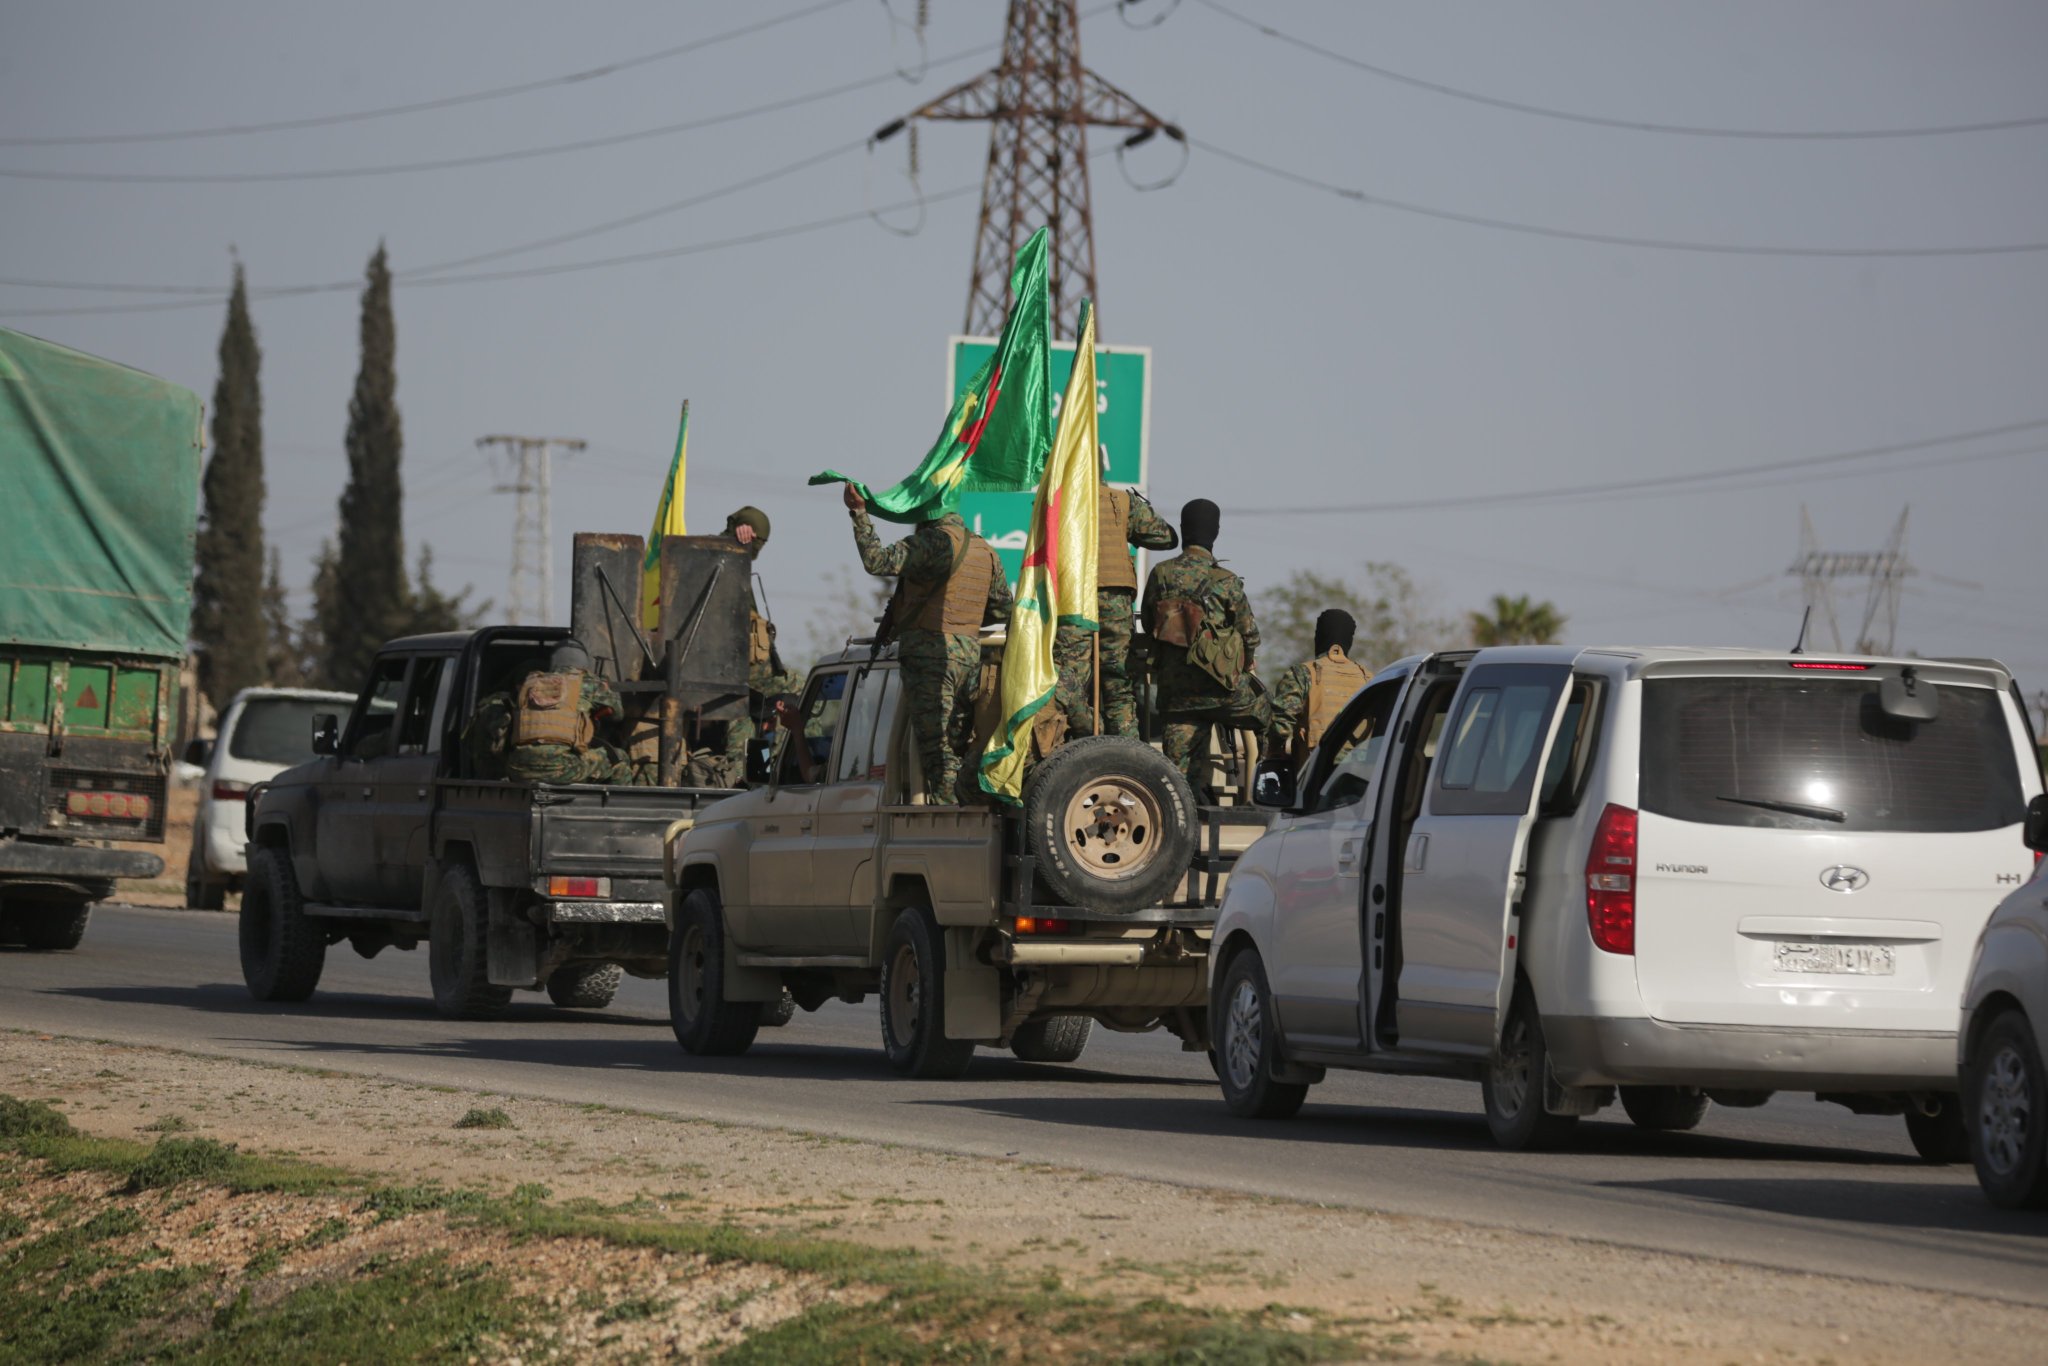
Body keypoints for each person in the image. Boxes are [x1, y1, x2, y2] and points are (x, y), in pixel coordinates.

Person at [843, 483, 1012, 802]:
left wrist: (859, 513)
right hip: (969, 658)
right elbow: (1003, 608)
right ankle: (966, 804)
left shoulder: (932, 542)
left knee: (937, 751)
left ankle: (950, 814)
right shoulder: (985, 551)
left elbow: (877, 561)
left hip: (930, 657)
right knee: (959, 743)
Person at [1141, 498, 1269, 780]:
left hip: (1176, 696)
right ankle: (1264, 786)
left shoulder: (1161, 573)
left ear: (1183, 528)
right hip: (1222, 693)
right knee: (1271, 715)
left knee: (1178, 778)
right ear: (1215, 532)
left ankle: (1193, 802)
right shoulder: (1226, 580)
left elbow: (1149, 623)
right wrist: (1246, 662)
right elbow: (1249, 633)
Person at [1053, 482, 1178, 736]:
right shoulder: (1121, 501)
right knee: (1118, 684)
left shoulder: (1057, 499)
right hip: (1114, 600)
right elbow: (1166, 537)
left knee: (1070, 683)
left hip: (1073, 598)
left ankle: (1084, 737)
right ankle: (1124, 750)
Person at [504, 640, 651, 785]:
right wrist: (603, 687)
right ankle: (617, 802)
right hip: (561, 768)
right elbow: (617, 714)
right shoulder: (588, 681)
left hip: (518, 768)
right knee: (619, 758)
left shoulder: (530, 683)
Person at [1267, 608, 1372, 774]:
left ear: (1320, 635)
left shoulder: (1302, 673)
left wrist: (1272, 752)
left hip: (1315, 774)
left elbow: (1281, 728)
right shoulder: (1369, 678)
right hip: (1361, 775)